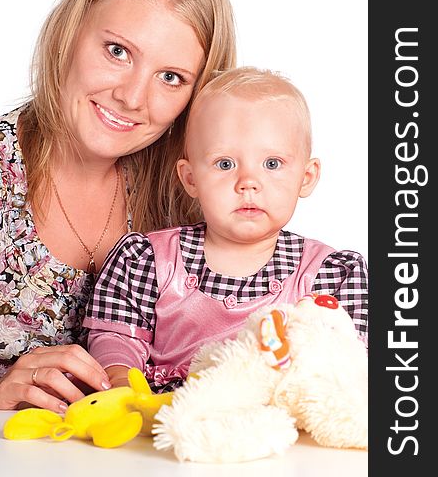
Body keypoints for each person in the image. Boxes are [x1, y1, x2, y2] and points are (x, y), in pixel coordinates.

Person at [0, 0, 237, 410]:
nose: (132, 97)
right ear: (70, 32)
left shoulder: (190, 196)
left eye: (170, 77)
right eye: (117, 51)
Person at [84, 67, 368, 393]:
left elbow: (350, 365)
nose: (248, 182)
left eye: (272, 164)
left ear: (306, 177)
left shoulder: (328, 276)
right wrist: (121, 382)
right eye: (225, 164)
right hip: (166, 421)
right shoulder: (148, 261)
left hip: (279, 427)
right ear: (190, 178)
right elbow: (117, 336)